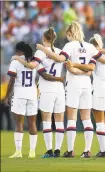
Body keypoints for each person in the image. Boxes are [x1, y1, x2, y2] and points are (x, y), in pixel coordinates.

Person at [36, 21, 100, 158]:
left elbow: (60, 58)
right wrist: (82, 71)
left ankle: (70, 150)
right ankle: (87, 150)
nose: (67, 36)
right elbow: (91, 68)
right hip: (87, 85)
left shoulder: (70, 45)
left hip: (73, 84)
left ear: (71, 33)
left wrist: (43, 49)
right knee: (87, 119)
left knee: (71, 119)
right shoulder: (90, 47)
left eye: (67, 34)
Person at [12, 28, 66, 158]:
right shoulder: (60, 52)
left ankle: (49, 151)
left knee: (47, 121)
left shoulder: (40, 52)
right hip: (59, 89)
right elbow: (63, 61)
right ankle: (58, 150)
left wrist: (18, 59)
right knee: (59, 122)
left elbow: (31, 66)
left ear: (44, 38)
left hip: (47, 89)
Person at [4, 42, 38, 158]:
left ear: (19, 51)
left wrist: (7, 96)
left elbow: (11, 81)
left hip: (19, 95)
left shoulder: (15, 61)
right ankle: (32, 152)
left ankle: (18, 152)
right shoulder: (34, 61)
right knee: (32, 123)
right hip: (32, 94)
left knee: (19, 124)